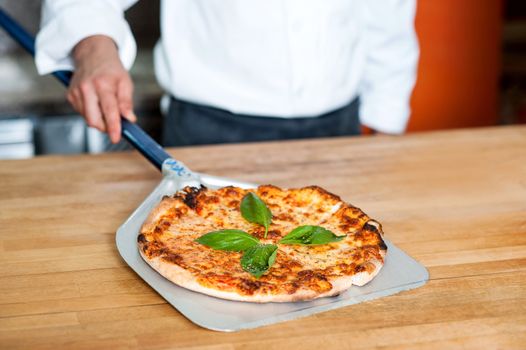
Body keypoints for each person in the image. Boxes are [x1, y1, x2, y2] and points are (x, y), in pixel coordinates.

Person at [35, 0, 418, 146]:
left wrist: (385, 123)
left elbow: (387, 15)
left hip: (341, 132)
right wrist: (93, 47)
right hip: (212, 136)